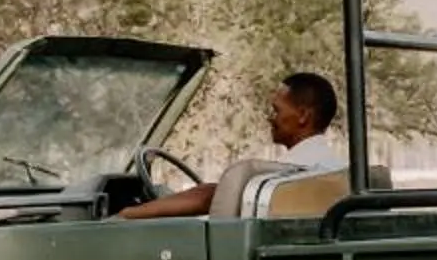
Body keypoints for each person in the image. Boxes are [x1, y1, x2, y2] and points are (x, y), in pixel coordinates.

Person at [118, 72, 343, 219]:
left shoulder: (291, 174)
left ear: (303, 116)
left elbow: (209, 197)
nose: (270, 118)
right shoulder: (331, 166)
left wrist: (127, 214)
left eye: (277, 111)